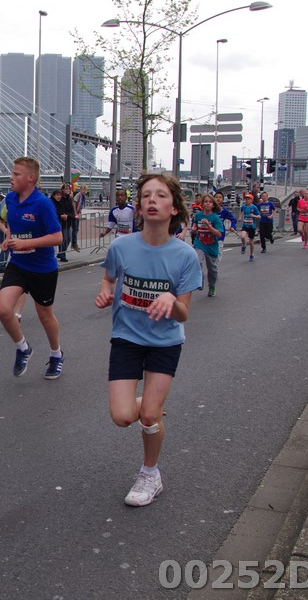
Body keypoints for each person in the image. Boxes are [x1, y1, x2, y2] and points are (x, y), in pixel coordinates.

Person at [94, 173, 201, 507]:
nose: (153, 200)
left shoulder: (185, 255)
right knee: (123, 416)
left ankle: (150, 474)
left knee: (150, 416)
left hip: (164, 342)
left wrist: (172, 301)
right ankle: (152, 402)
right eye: (146, 195)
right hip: (126, 338)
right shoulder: (121, 247)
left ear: (174, 207)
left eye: (161, 195)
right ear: (139, 206)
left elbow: (184, 313)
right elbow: (108, 278)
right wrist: (105, 292)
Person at [0, 157, 66, 380]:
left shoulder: (43, 204)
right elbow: (12, 224)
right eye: (12, 173)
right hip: (18, 264)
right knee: (4, 309)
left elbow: (57, 237)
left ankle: (56, 354)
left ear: (31, 178)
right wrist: (9, 239)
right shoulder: (10, 199)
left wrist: (26, 243)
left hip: (43, 269)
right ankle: (23, 348)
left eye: (16, 174)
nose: (11, 177)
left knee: (45, 316)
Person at [191, 193, 224, 296]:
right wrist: (194, 229)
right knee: (197, 261)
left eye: (210, 202)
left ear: (213, 205)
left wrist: (209, 226)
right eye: (206, 202)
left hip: (211, 245)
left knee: (212, 269)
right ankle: (199, 280)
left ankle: (212, 286)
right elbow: (195, 226)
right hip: (199, 242)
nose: (208, 203)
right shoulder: (198, 215)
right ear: (202, 204)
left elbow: (219, 234)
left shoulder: (215, 218)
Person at [51, 185, 75, 263]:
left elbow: (71, 209)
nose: (68, 190)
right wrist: (64, 215)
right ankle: (62, 254)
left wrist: (71, 215)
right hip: (61, 222)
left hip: (67, 221)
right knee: (63, 239)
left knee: (68, 238)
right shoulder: (60, 200)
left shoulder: (69, 199)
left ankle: (61, 253)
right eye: (66, 189)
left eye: (69, 189)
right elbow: (60, 211)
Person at [237, 193, 261, 261]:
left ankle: (252, 254)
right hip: (245, 225)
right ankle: (244, 245)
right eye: (246, 199)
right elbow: (241, 212)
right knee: (242, 236)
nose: (247, 200)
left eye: (248, 199)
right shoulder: (243, 207)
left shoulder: (254, 207)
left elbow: (259, 216)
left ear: (252, 200)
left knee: (251, 241)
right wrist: (240, 217)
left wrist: (254, 216)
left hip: (252, 226)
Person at [71, 184, 87, 251]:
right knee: (75, 229)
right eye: (83, 189)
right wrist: (75, 213)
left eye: (85, 190)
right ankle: (74, 243)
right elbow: (74, 204)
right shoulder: (78, 195)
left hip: (78, 213)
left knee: (76, 229)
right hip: (74, 213)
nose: (84, 191)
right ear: (80, 189)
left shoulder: (84, 197)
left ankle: (74, 243)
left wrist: (79, 213)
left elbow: (81, 206)